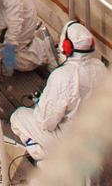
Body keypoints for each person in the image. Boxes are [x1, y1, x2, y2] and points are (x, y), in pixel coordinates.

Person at [9, 21, 104, 160]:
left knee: (18, 117)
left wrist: (41, 105)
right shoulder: (100, 67)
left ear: (67, 47)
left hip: (70, 142)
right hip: (96, 140)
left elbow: (46, 122)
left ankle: (47, 159)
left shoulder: (63, 76)